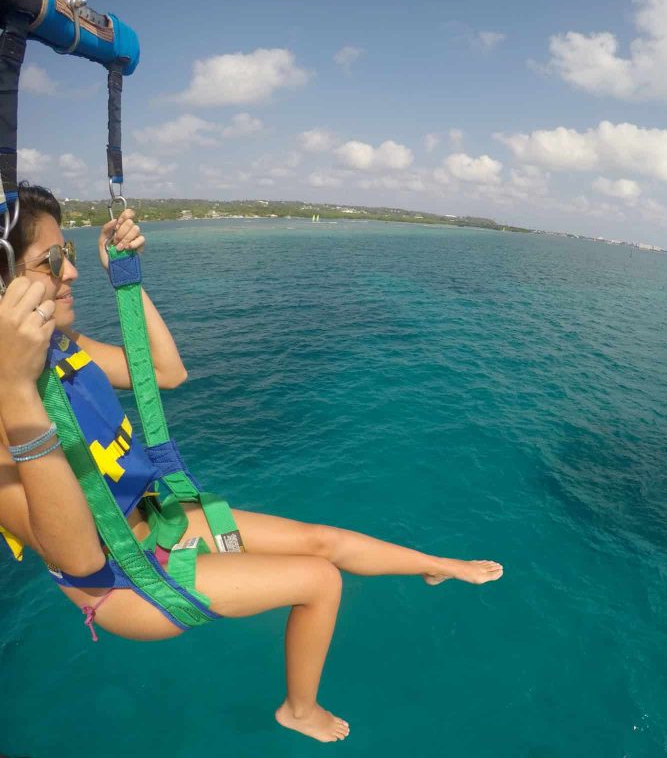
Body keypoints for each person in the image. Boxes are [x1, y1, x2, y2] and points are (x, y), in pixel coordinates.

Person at [0, 184, 503, 743]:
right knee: (319, 581)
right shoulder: (8, 404)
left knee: (321, 541)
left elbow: (167, 373)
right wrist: (15, 389)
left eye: (65, 249)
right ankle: (298, 710)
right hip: (122, 585)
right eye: (50, 260)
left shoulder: (64, 348)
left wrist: (128, 281)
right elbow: (78, 559)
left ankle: (434, 563)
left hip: (158, 521)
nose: (70, 271)